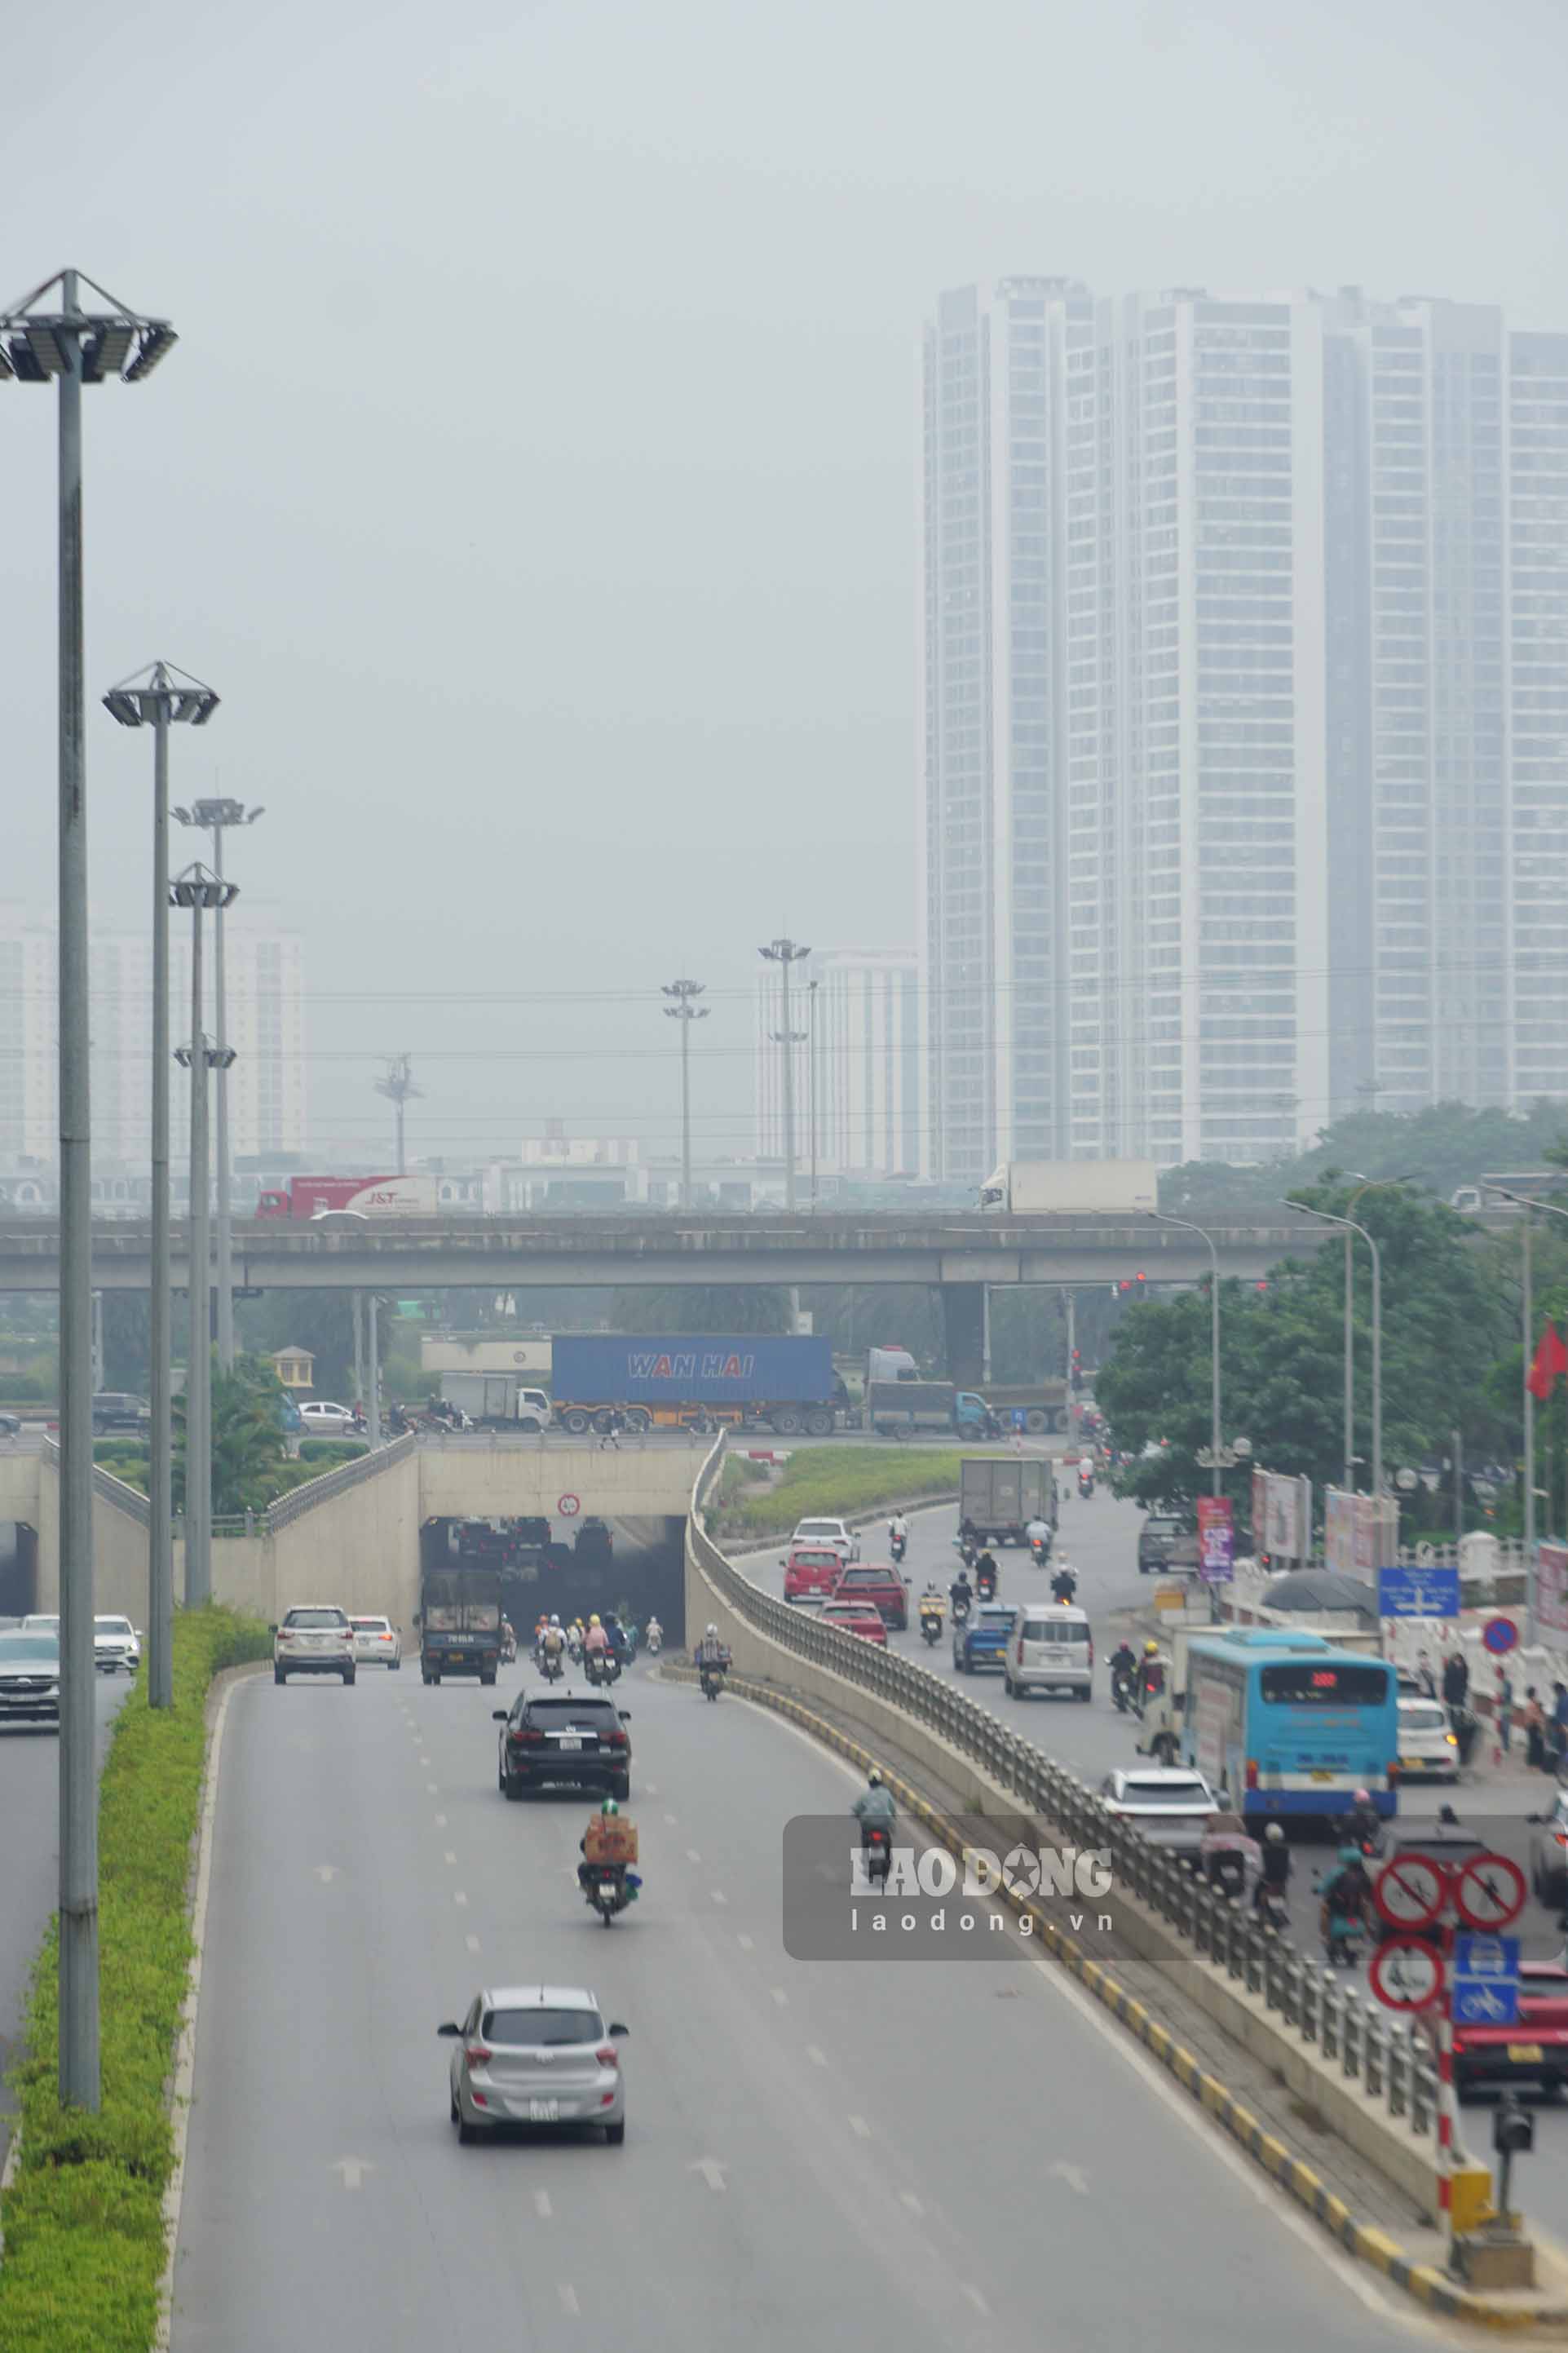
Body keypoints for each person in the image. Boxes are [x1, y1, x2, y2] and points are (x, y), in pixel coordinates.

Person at [1255, 1820, 1292, 1913]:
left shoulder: (1263, 1849)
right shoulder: (1287, 1850)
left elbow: (1260, 1867)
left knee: (1257, 1891)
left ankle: (1256, 1910)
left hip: (1267, 1881)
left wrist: (1259, 1873)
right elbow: (1291, 1866)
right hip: (1281, 1882)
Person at [851, 1767, 897, 1835]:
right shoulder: (887, 1793)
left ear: (869, 1782)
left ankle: (865, 1844)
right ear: (881, 1781)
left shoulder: (866, 1795)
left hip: (869, 1822)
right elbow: (892, 1807)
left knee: (864, 1828)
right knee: (888, 1828)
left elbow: (857, 1808)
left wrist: (855, 1813)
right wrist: (893, 1815)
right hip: (884, 1822)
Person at [1522, 1685, 1548, 1771]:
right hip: (1535, 1727)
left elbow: (1529, 1716)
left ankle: (1533, 1764)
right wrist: (1540, 1720)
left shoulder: (1531, 1704)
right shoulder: (1533, 1704)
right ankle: (1534, 1764)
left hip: (1532, 1726)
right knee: (1536, 1745)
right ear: (1533, 1694)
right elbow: (1535, 1716)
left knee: (1535, 1745)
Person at [1442, 1650, 1470, 1728]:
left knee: (1461, 1711)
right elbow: (1446, 1681)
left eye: (1459, 1660)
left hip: (1460, 1694)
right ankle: (1451, 1726)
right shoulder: (1450, 1668)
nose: (1458, 1662)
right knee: (1451, 1712)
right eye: (1456, 1660)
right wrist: (1445, 1694)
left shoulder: (1465, 1669)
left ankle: (1460, 1726)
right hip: (1451, 1694)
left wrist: (1464, 1692)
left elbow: (1465, 1681)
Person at [1136, 1640, 1165, 1711]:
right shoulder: (1160, 1660)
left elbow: (1138, 1670)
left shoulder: (1144, 1660)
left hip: (1149, 1684)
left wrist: (1137, 1677)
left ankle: (1142, 1708)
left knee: (1142, 1693)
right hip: (1159, 1685)